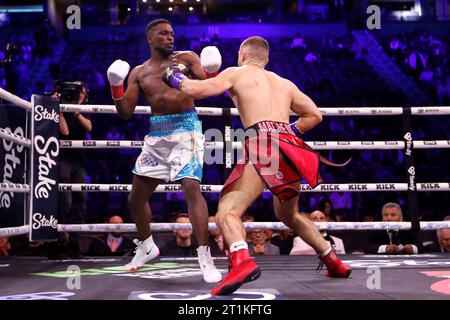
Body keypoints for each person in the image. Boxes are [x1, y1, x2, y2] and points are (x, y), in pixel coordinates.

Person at [163, 35, 351, 295]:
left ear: (241, 56)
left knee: (227, 211)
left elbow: (197, 91)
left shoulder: (237, 73)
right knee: (289, 215)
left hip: (264, 142)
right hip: (290, 144)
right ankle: (334, 261)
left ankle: (242, 261)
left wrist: (172, 75)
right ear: (267, 59)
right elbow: (314, 115)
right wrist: (287, 132)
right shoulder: (285, 83)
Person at [106, 19, 222, 283]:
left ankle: (205, 256)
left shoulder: (188, 58)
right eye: (163, 34)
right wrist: (115, 85)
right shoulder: (139, 72)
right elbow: (125, 113)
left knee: (191, 188)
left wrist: (213, 72)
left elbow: (208, 90)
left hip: (187, 129)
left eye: (172, 33)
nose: (170, 38)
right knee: (135, 198)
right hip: (156, 134)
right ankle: (147, 246)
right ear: (150, 39)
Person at [57, 82, 92, 224]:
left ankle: (78, 230)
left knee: (81, 196)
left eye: (82, 93)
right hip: (64, 158)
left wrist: (77, 113)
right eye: (79, 92)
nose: (80, 95)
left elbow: (89, 127)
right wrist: (60, 110)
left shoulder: (85, 110)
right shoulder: (62, 107)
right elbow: (65, 132)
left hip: (80, 160)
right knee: (65, 198)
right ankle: (62, 229)